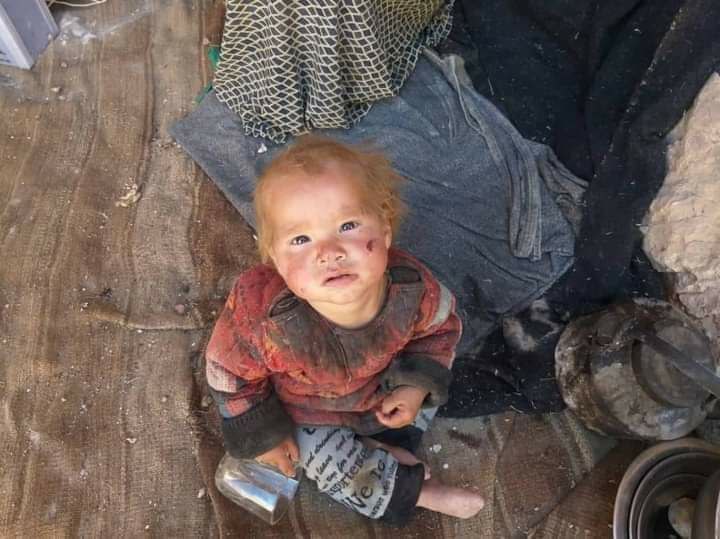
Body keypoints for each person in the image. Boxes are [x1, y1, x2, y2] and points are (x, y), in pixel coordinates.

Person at [205, 135, 484, 524]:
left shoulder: (412, 290)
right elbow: (228, 372)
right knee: (319, 462)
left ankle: (381, 446)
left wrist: (414, 386)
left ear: (384, 231)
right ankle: (416, 491)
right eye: (301, 239)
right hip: (308, 411)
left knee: (433, 394)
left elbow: (440, 332)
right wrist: (266, 435)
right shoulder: (263, 318)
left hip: (381, 393)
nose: (329, 252)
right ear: (276, 260)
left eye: (348, 225)